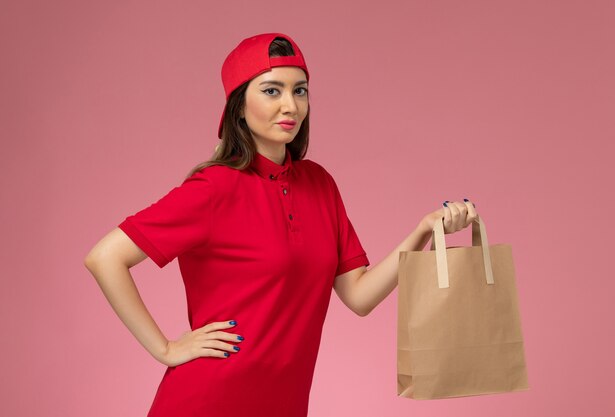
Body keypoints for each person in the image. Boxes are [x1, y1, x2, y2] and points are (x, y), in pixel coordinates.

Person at [83, 32, 478, 417]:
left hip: (284, 404)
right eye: (272, 90)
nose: (290, 105)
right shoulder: (214, 188)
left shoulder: (319, 184)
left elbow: (359, 296)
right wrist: (165, 349)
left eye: (300, 90)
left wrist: (425, 230)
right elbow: (105, 258)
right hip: (210, 401)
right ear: (238, 105)